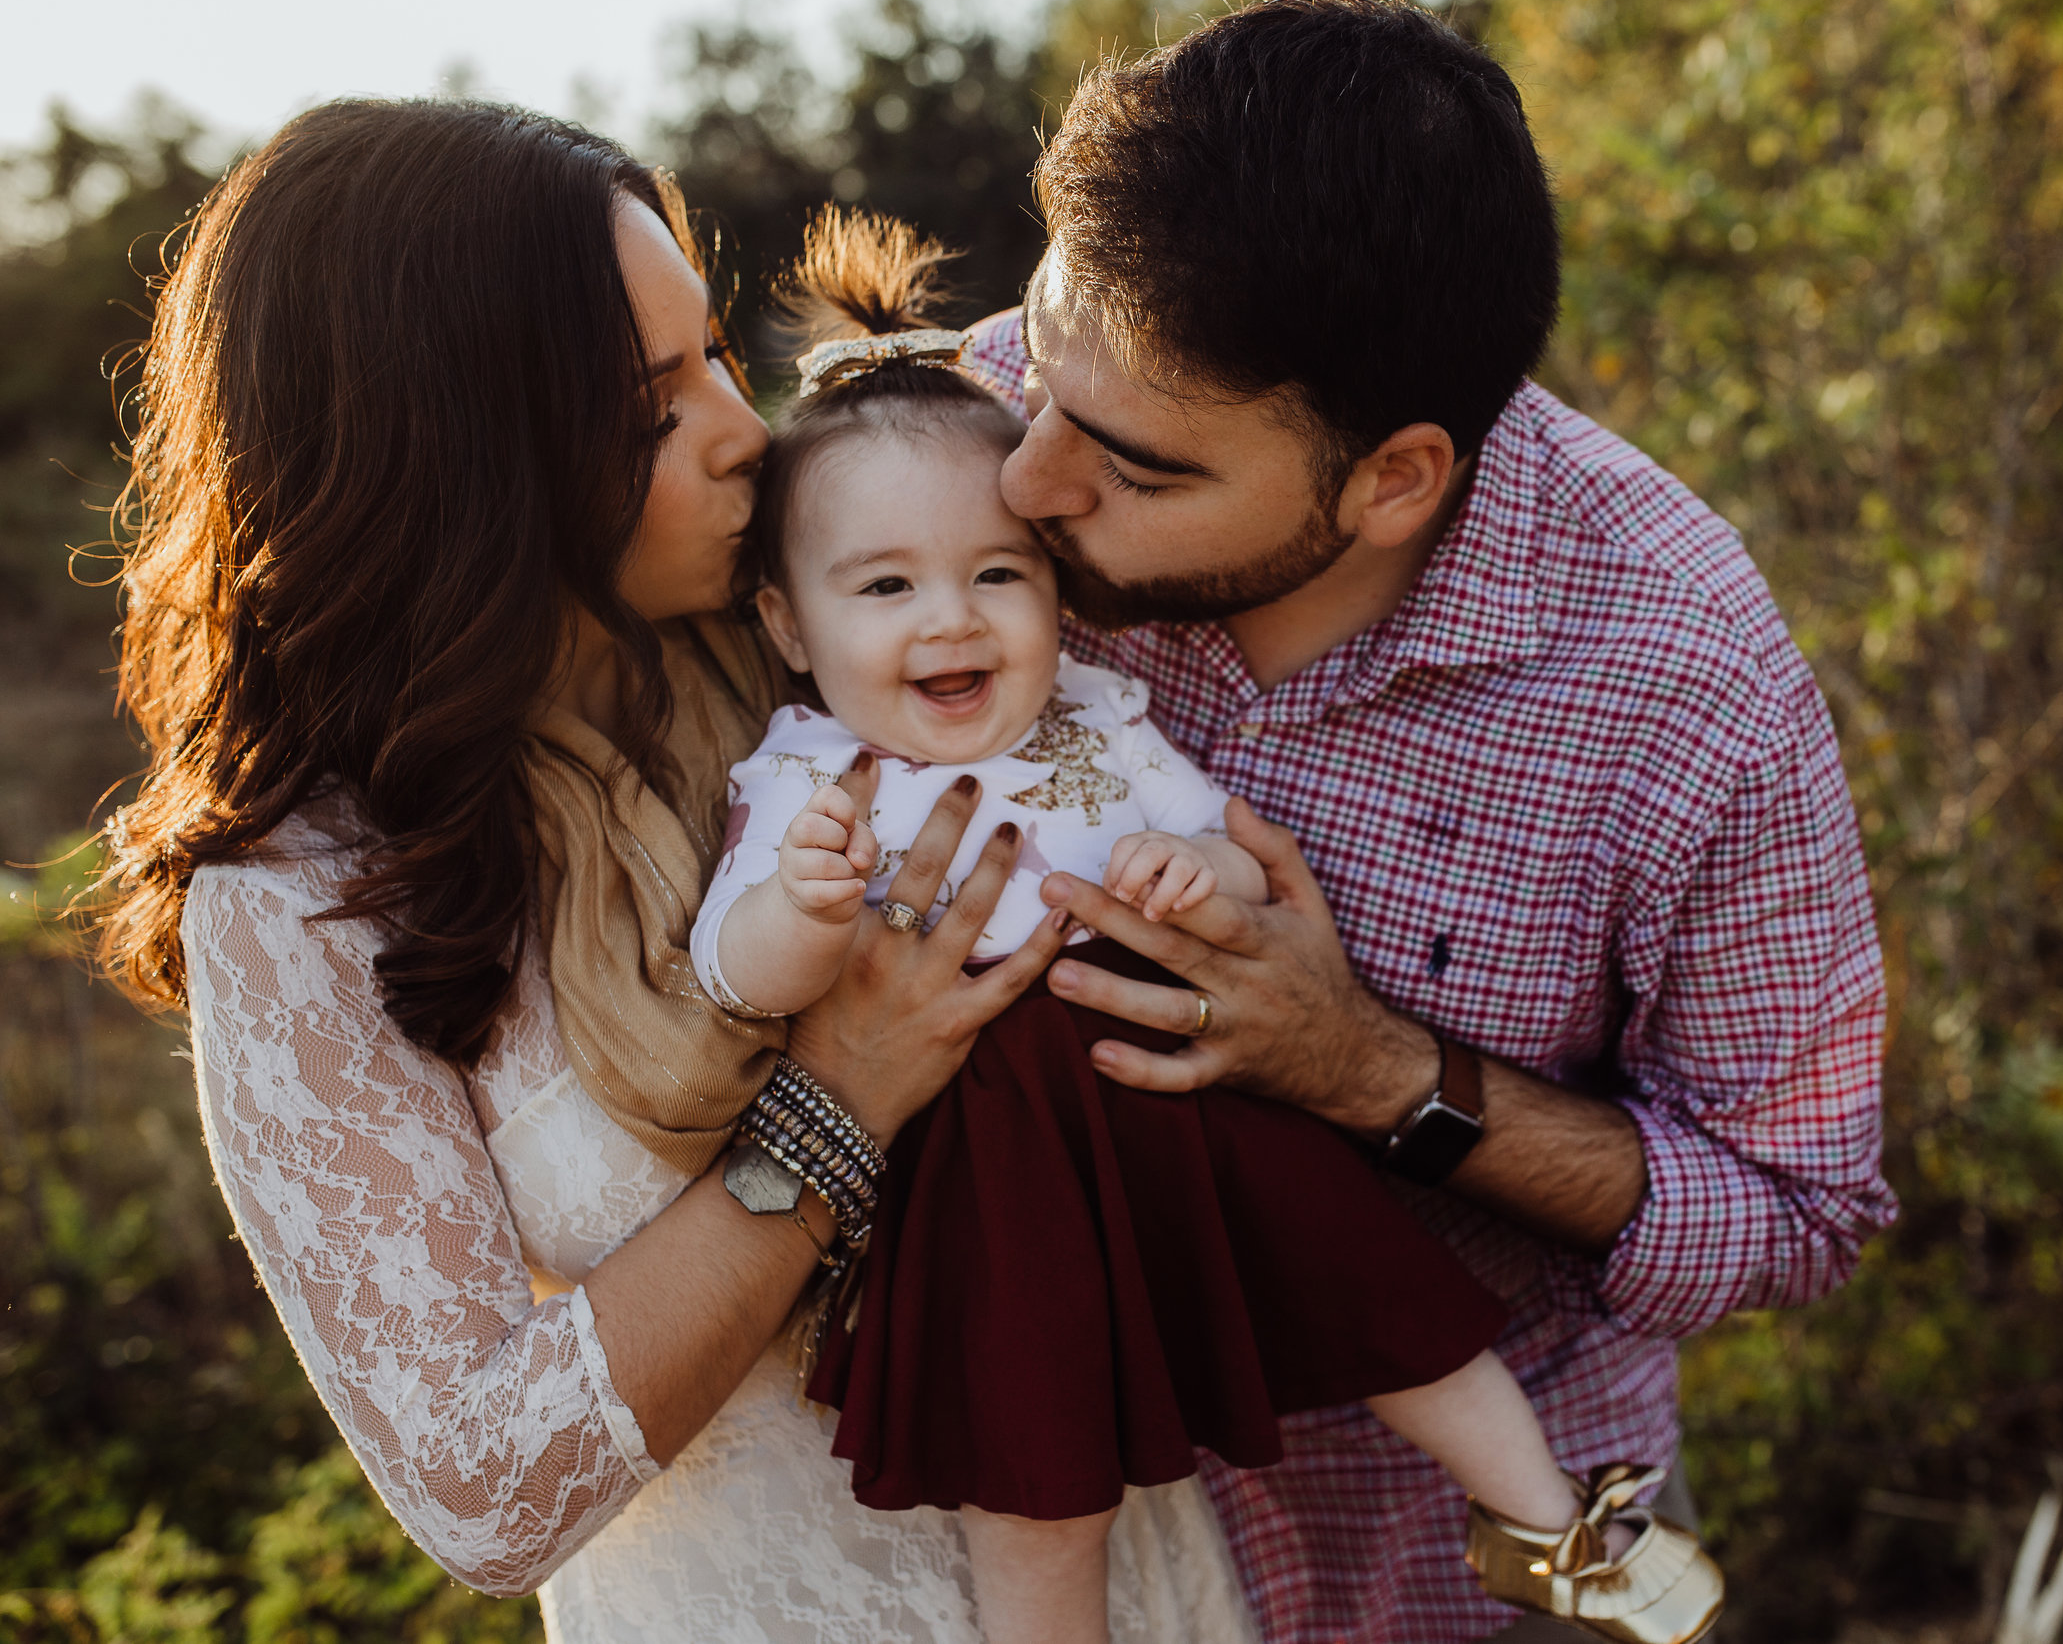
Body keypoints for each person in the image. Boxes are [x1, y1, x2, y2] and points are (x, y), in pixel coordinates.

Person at [96, 99, 1256, 1644]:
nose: (742, 430)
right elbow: (483, 1490)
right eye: (652, 409)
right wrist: (841, 1093)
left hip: (1136, 1585)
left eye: (716, 354)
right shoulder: (301, 897)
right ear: (457, 459)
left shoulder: (838, 634)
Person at [955, 0, 1897, 1642]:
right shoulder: (977, 434)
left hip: (1465, 1562)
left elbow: (1799, 1210)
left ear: (1394, 479)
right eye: (1036, 364)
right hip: (1056, 1523)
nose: (1026, 484)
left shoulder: (1686, 686)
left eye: (1140, 471)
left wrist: (1381, 1074)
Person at [677, 210, 1723, 1644]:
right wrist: (803, 907)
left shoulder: (1095, 722)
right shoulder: (807, 778)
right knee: (1037, 1471)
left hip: (1171, 1075)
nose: (954, 622)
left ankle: (1554, 1521)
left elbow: (1233, 864)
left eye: (1000, 574)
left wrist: (1193, 883)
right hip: (989, 1162)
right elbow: (733, 968)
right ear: (789, 628)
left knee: (1372, 1286)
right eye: (883, 588)